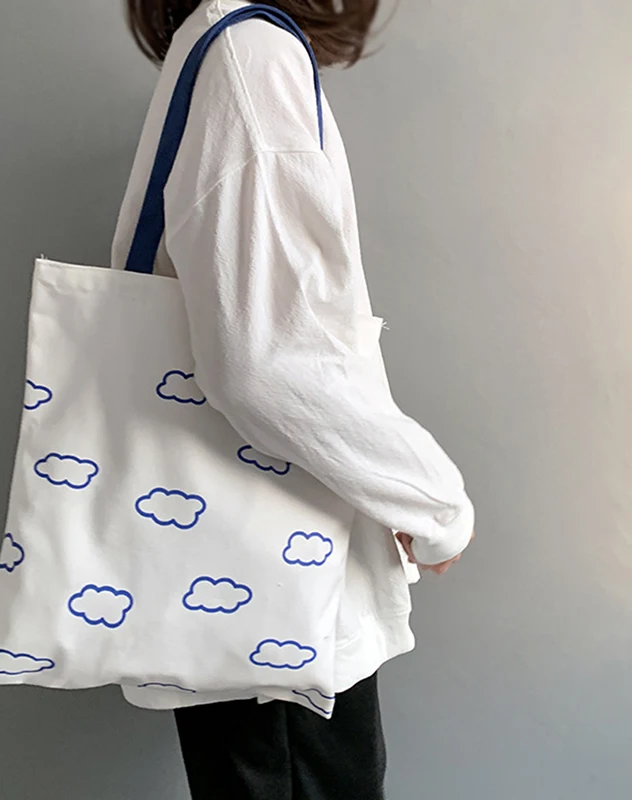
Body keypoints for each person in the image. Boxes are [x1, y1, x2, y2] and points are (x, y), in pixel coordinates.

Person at [113, 2, 475, 797]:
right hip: (283, 590)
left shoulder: (218, 42)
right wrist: (430, 499)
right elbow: (266, 364)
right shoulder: (252, 56)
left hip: (242, 572)